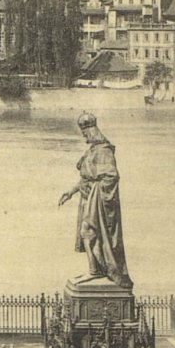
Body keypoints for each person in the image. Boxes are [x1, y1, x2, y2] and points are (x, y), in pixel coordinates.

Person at [58, 112, 131, 286]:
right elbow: (86, 177)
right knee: (88, 234)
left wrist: (95, 192)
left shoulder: (104, 151)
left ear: (91, 131)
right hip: (87, 198)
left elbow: (111, 177)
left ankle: (95, 271)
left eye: (85, 133)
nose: (84, 137)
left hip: (97, 201)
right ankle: (95, 269)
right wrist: (71, 191)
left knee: (88, 232)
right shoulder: (92, 150)